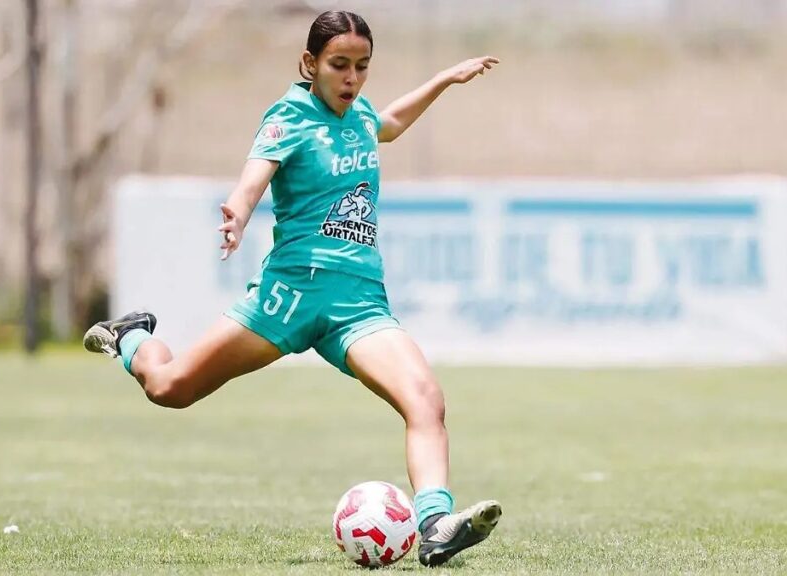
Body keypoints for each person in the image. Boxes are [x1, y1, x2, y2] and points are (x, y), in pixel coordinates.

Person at [84, 10, 501, 567]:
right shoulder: (289, 116)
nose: (351, 78)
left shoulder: (359, 115)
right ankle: (132, 335)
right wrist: (238, 212)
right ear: (310, 63)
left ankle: (434, 525)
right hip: (289, 298)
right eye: (339, 65)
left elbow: (391, 122)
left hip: (358, 305)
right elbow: (254, 176)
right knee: (169, 387)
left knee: (425, 399)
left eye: (362, 66)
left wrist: (444, 80)